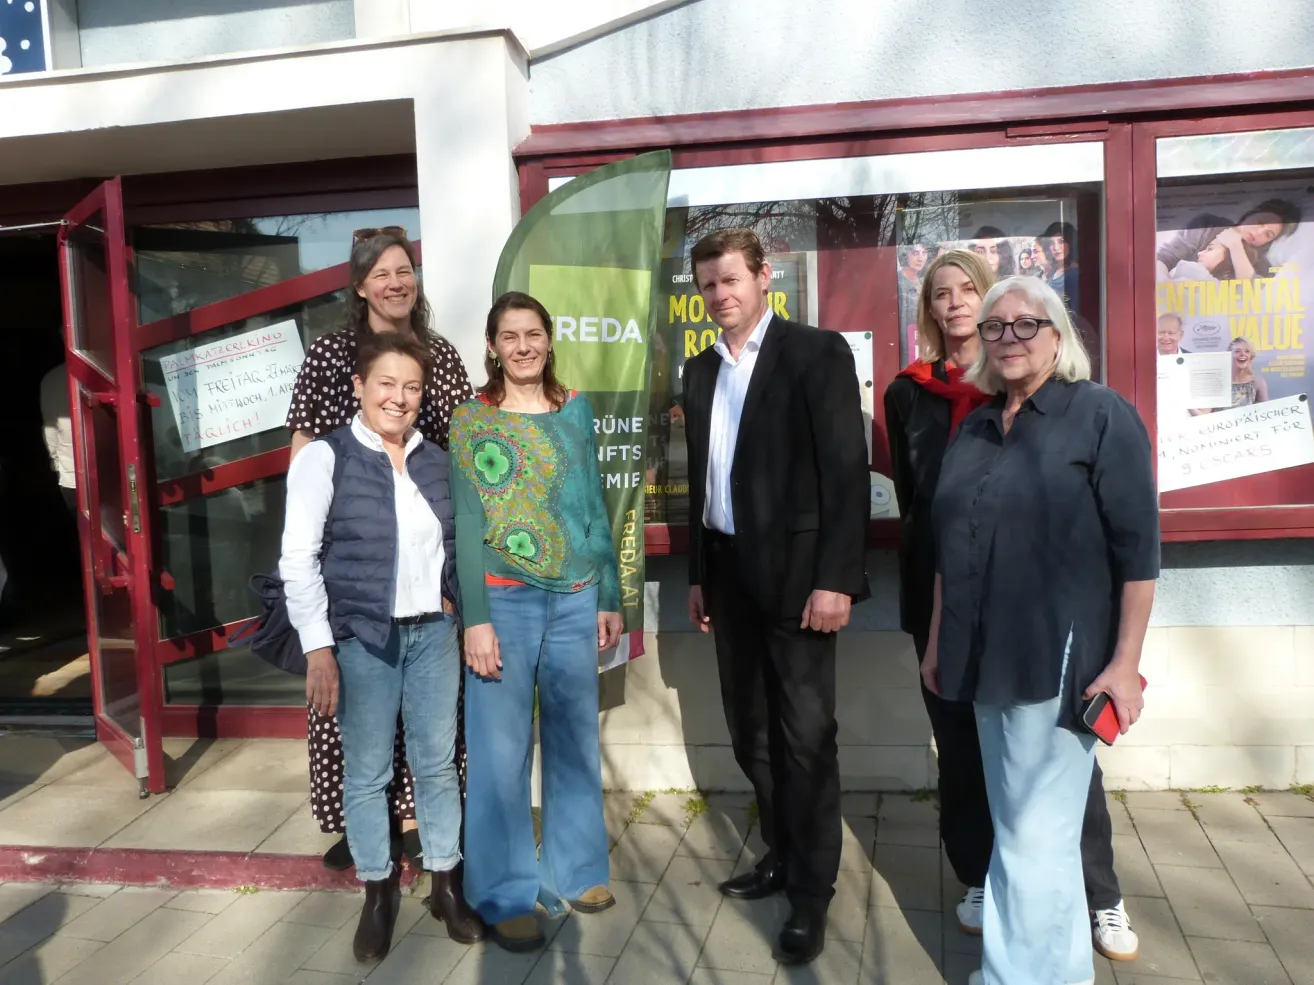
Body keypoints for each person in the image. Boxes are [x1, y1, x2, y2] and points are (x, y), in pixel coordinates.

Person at [885, 251, 1141, 960]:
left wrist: (1125, 663)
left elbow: (1138, 552)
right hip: (975, 651)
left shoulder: (1099, 414)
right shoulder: (973, 428)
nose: (1008, 336)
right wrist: (937, 643)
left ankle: (1020, 969)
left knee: (1036, 831)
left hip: (1055, 653)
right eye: (995, 326)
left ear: (1058, 333)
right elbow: (944, 543)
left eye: (1026, 323)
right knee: (1019, 825)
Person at [683, 228, 870, 965]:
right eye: (707, 286)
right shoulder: (700, 372)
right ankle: (783, 854)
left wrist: (835, 577)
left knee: (805, 739)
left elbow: (845, 473)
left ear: (765, 277)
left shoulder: (815, 353)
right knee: (750, 733)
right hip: (728, 576)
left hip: (800, 581)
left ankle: (812, 893)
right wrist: (697, 572)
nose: (719, 295)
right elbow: (704, 482)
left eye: (731, 280)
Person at [280, 330, 485, 961]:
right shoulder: (326, 457)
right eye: (386, 385)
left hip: (433, 635)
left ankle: (446, 884)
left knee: (435, 763)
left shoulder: (433, 458)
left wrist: (453, 598)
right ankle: (377, 893)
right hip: (364, 639)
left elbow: (456, 543)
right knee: (367, 773)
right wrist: (318, 648)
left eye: (412, 387)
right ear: (359, 389)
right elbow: (298, 558)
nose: (400, 398)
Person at [284, 229, 473, 872]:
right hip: (358, 566)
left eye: (406, 270)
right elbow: (306, 450)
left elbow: (463, 451)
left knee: (433, 737)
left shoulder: (440, 356)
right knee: (360, 736)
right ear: (360, 284)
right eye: (383, 272)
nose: (398, 282)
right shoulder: (332, 353)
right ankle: (367, 837)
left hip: (425, 559)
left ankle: (433, 842)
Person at [450, 291, 621, 954]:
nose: (522, 346)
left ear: (549, 339)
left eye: (533, 334)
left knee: (575, 735)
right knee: (499, 753)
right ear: (492, 346)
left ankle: (577, 869)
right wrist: (476, 618)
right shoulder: (471, 419)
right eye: (509, 336)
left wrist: (609, 593)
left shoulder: (575, 408)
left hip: (578, 596)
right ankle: (503, 891)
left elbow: (592, 507)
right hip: (506, 599)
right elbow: (466, 522)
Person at [1155, 200, 1301, 282]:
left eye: (1268, 235)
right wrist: (1163, 284)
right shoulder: (1209, 225)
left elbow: (1254, 295)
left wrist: (1235, 246)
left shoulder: (1261, 264)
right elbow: (1166, 257)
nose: (1257, 233)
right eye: (1260, 222)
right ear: (1251, 213)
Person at [40, 364, 76, 515]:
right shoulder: (106, 369)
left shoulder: (51, 379)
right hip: (110, 468)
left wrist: (55, 461)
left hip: (70, 470)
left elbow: (50, 428)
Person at [1040, 221, 1079, 311]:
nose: (1056, 248)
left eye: (1061, 241)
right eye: (1051, 243)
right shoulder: (1053, 270)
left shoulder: (1075, 274)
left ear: (1071, 243)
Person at [898, 243, 929, 334]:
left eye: (924, 253)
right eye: (915, 253)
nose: (920, 259)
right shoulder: (898, 282)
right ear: (905, 255)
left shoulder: (923, 282)